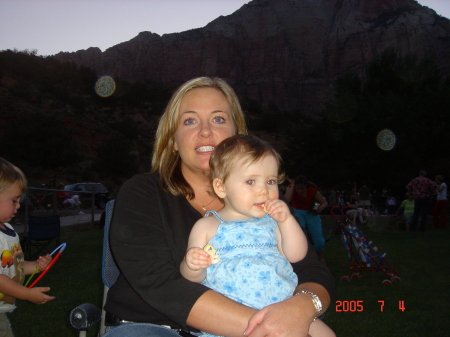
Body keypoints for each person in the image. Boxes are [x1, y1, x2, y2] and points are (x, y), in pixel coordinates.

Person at [103, 77, 335, 337]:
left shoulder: (263, 200)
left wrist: (304, 307)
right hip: (152, 328)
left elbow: (311, 269)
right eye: (190, 120)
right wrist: (271, 329)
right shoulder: (142, 192)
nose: (205, 131)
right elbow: (162, 285)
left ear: (237, 134)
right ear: (173, 141)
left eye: (218, 119)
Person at [181, 134, 335, 337]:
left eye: (270, 181)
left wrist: (287, 221)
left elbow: (296, 255)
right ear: (221, 187)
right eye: (251, 181)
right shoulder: (207, 226)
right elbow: (193, 278)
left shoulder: (272, 222)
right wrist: (191, 264)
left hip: (283, 309)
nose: (264, 190)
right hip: (233, 317)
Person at [0, 158, 55, 336]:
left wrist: (37, 266)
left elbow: (14, 267)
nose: (19, 205)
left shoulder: (9, 230)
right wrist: (26, 294)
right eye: (14, 200)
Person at [285, 175, 328, 262]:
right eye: (298, 189)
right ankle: (304, 257)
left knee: (319, 240)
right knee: (301, 233)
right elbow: (286, 200)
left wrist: (321, 208)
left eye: (302, 189)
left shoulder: (312, 190)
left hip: (311, 213)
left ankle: (320, 258)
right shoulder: (292, 188)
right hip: (298, 212)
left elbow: (324, 203)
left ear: (306, 186)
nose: (300, 191)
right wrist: (292, 186)